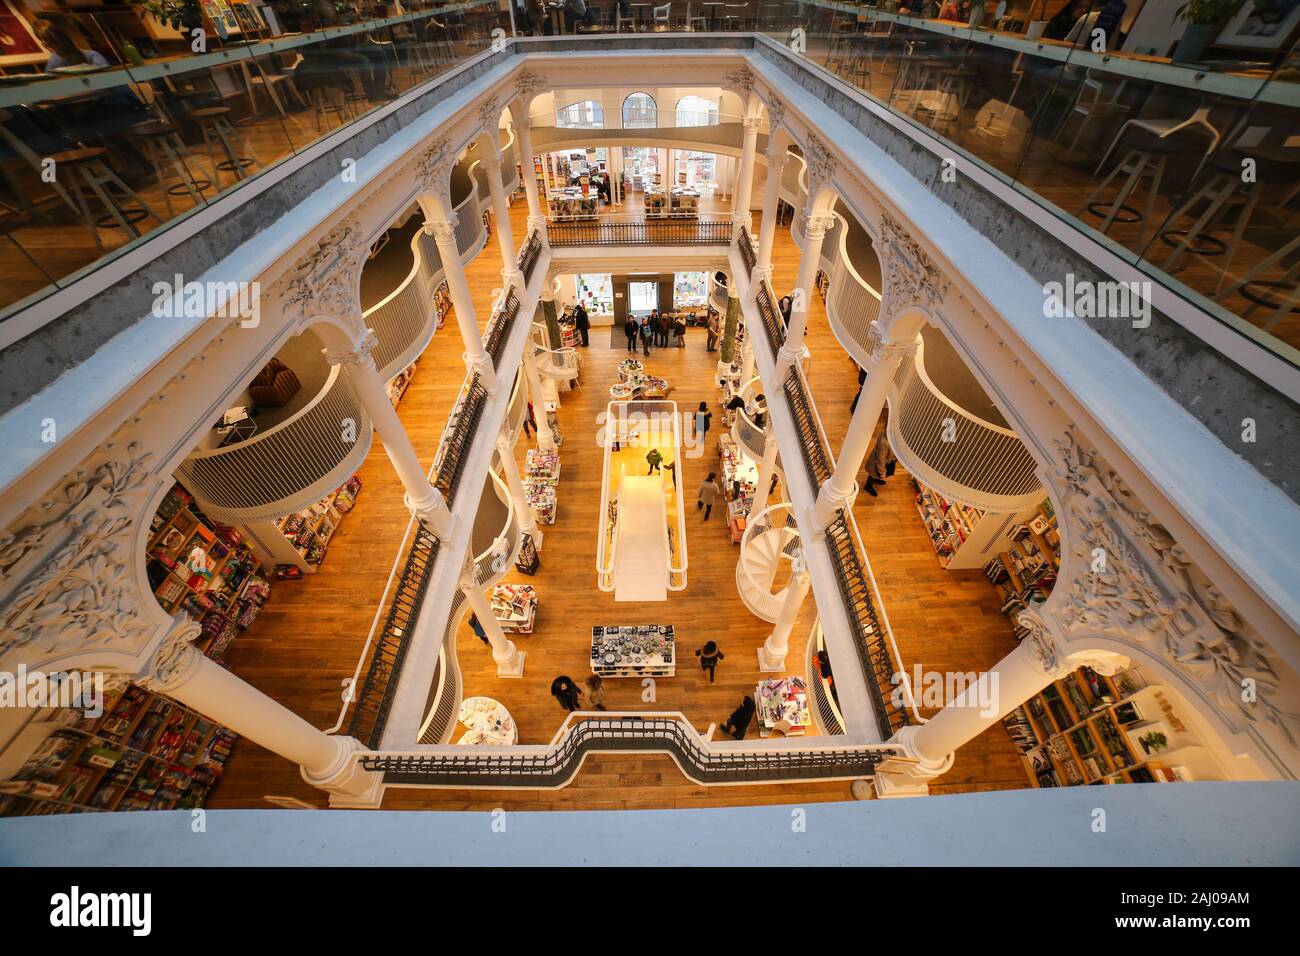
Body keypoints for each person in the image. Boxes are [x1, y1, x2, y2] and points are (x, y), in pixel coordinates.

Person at [862, 433, 896, 497]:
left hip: (880, 460)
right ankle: (868, 486)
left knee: (875, 474)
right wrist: (882, 473)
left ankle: (875, 479)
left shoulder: (887, 436)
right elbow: (881, 460)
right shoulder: (884, 443)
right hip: (876, 462)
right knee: (872, 474)